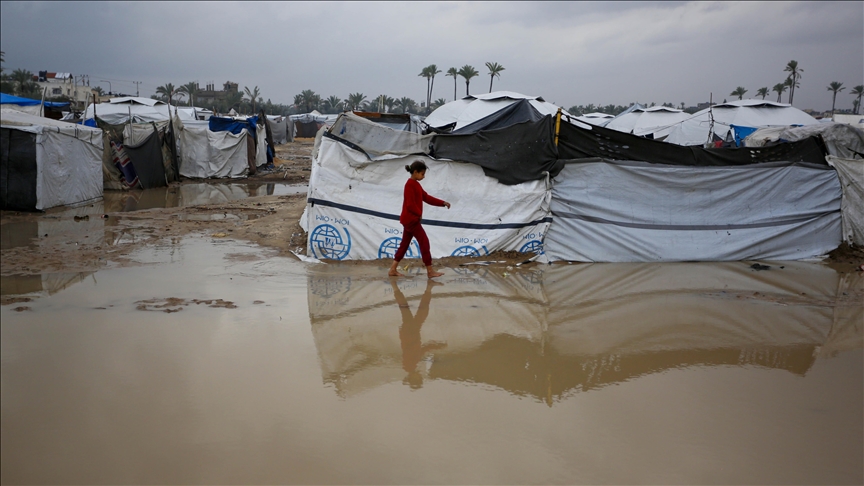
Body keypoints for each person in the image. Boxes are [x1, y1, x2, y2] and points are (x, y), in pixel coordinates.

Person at [388, 160, 451, 278]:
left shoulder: (416, 184)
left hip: (409, 220)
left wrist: (442, 203)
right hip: (411, 220)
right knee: (424, 242)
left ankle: (392, 269)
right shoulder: (409, 185)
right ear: (415, 172)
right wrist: (418, 214)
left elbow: (426, 197)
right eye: (422, 174)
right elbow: (410, 205)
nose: (424, 176)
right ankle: (430, 271)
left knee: (404, 245)